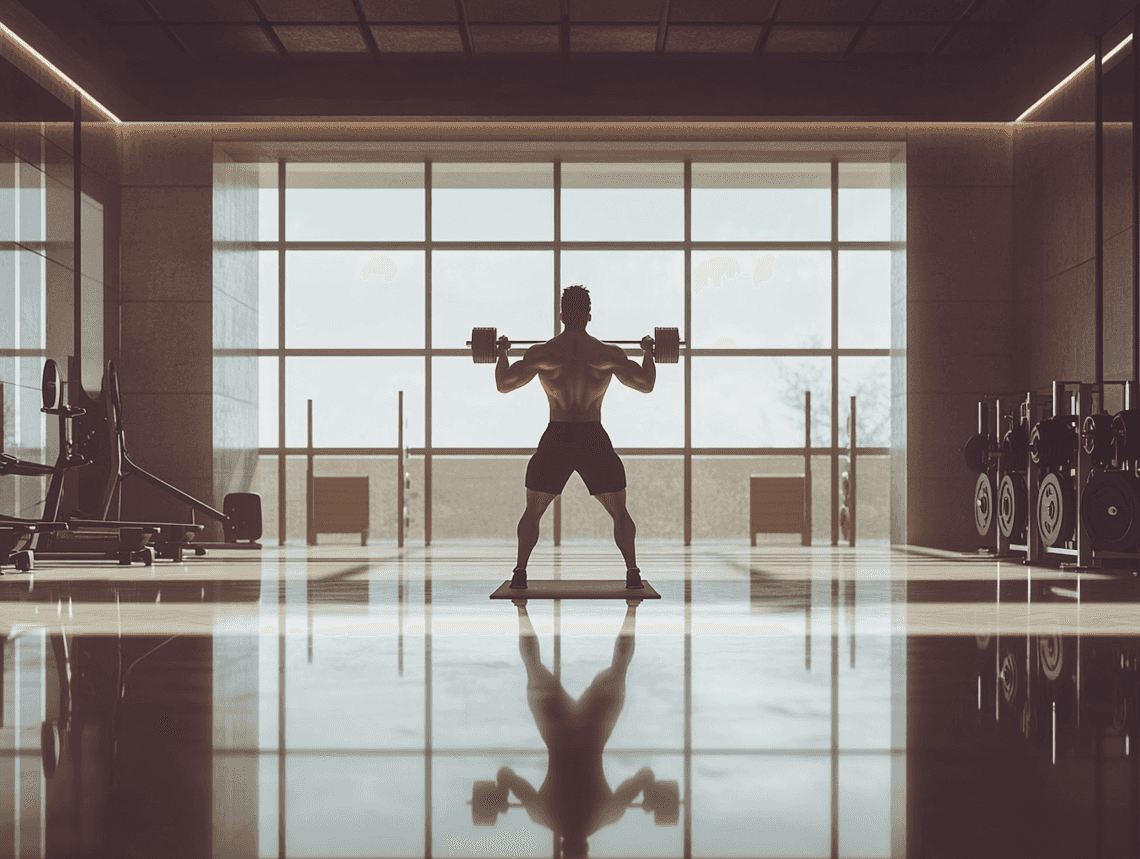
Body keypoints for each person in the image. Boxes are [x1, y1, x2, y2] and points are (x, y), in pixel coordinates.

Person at [494, 285, 654, 590]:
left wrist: (502, 353)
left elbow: (504, 384)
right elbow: (646, 384)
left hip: (558, 436)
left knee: (533, 511)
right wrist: (648, 353)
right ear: (589, 316)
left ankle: (520, 572)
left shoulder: (542, 353)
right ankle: (632, 572)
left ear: (561, 315)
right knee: (619, 511)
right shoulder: (607, 354)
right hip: (592, 437)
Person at [491, 597, 657, 859]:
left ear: (586, 850)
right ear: (560, 848)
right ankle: (521, 607)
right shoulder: (543, 815)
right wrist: (501, 792)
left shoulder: (604, 816)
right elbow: (506, 776)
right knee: (534, 666)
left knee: (619, 668)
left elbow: (645, 777)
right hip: (562, 732)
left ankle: (632, 608)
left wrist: (648, 793)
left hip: (589, 732)